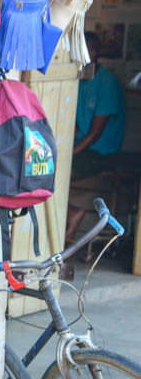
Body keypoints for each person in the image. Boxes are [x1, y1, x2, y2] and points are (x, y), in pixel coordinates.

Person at [65, 32, 126, 245]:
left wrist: (68, 154)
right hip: (83, 148)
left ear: (94, 52)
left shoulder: (106, 82)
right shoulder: (80, 80)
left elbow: (94, 133)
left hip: (102, 151)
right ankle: (67, 233)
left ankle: (67, 234)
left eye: (86, 50)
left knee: (66, 175)